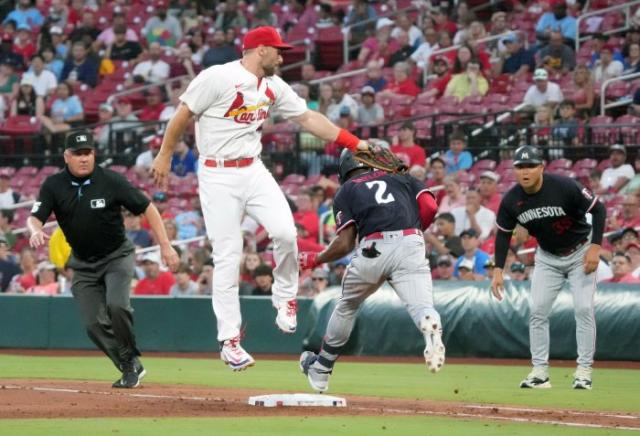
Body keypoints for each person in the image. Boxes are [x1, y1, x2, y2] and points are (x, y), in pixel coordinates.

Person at [151, 26, 370, 372]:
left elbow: (309, 118)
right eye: (278, 51)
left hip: (252, 169)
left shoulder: (273, 85)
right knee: (228, 254)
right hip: (217, 173)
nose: (282, 57)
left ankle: (285, 299)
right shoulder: (219, 77)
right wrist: (164, 155)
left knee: (285, 232)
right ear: (260, 49)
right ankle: (230, 341)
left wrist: (354, 143)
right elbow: (182, 114)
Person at [27, 129, 180, 389]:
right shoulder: (53, 185)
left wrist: (166, 246)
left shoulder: (111, 180)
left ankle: (129, 361)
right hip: (83, 264)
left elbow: (148, 208)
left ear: (94, 154)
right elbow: (35, 217)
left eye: (88, 153)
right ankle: (128, 365)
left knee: (117, 306)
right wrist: (34, 230)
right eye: (78, 154)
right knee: (92, 324)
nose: (84, 158)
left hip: (116, 256)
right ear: (66, 156)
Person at [298, 149, 444, 393]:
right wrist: (412, 229)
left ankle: (322, 368)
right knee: (421, 306)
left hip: (373, 248)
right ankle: (429, 323)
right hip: (411, 242)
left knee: (347, 305)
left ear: (344, 170)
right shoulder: (401, 176)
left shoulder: (347, 189)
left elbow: (345, 243)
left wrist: (316, 259)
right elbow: (429, 206)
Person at [491, 145, 606, 390]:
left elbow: (599, 209)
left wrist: (596, 246)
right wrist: (498, 269)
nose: (525, 171)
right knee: (537, 311)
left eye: (530, 165)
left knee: (584, 309)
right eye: (520, 167)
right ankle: (540, 373)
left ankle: (584, 371)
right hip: (547, 257)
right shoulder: (512, 200)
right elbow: (503, 235)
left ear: (541, 167)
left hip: (580, 252)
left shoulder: (564, 186)